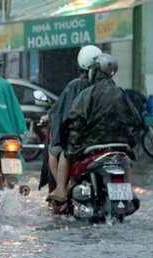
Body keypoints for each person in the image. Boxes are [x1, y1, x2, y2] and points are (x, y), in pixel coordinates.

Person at [47, 53, 142, 203]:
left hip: (92, 143)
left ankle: (61, 189)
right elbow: (135, 120)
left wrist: (69, 133)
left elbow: (75, 119)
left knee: (65, 152)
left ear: (96, 70)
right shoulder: (121, 93)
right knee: (126, 160)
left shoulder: (88, 93)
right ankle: (128, 189)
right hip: (119, 144)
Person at [40, 45, 102, 191]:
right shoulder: (106, 86)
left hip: (80, 138)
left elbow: (61, 111)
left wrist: (49, 116)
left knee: (54, 152)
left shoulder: (76, 85)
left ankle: (61, 190)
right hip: (102, 137)